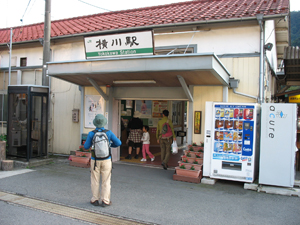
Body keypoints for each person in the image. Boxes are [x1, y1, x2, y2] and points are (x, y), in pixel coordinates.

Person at [84, 114, 121, 207]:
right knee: (106, 181)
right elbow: (118, 143)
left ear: (95, 123)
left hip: (95, 160)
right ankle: (105, 201)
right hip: (106, 160)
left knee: (95, 180)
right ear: (104, 122)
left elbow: (85, 146)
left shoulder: (91, 133)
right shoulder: (109, 133)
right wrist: (109, 145)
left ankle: (95, 199)